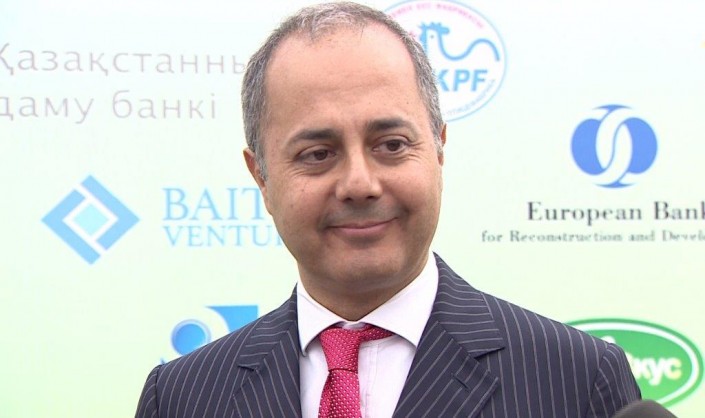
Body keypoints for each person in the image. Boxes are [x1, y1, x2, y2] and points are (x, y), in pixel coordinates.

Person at [135, 2, 641, 417]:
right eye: (318, 154)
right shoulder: (181, 398)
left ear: (439, 149)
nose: (360, 184)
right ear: (261, 177)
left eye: (392, 145)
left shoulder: (577, 379)